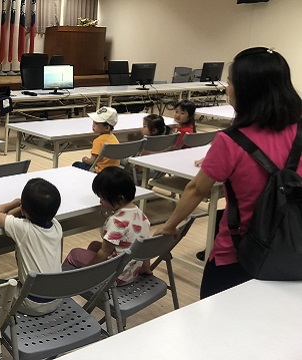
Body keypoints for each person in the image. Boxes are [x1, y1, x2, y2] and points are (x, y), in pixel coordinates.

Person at [157, 47, 302, 299]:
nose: (227, 88)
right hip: (294, 244)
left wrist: (170, 225)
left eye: (231, 81)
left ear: (247, 90)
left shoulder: (231, 141)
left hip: (239, 253)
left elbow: (196, 189)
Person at [0, 178, 63, 316]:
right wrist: (22, 208)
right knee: (17, 282)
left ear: (23, 210)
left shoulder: (24, 229)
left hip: (31, 303)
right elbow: (9, 216)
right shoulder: (57, 226)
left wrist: (15, 203)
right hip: (57, 297)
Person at [63, 166, 151, 286]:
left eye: (103, 198)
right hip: (131, 271)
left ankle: (61, 288)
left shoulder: (116, 222)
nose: (100, 202)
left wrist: (88, 270)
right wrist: (146, 267)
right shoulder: (142, 216)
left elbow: (104, 252)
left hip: (114, 276)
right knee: (94, 245)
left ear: (120, 198)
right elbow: (145, 249)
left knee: (74, 253)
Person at [72, 106, 120, 172]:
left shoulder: (98, 141)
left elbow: (92, 162)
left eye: (96, 123)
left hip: (100, 171)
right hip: (113, 171)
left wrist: (85, 159)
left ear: (106, 128)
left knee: (76, 164)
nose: (93, 125)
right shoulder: (114, 138)